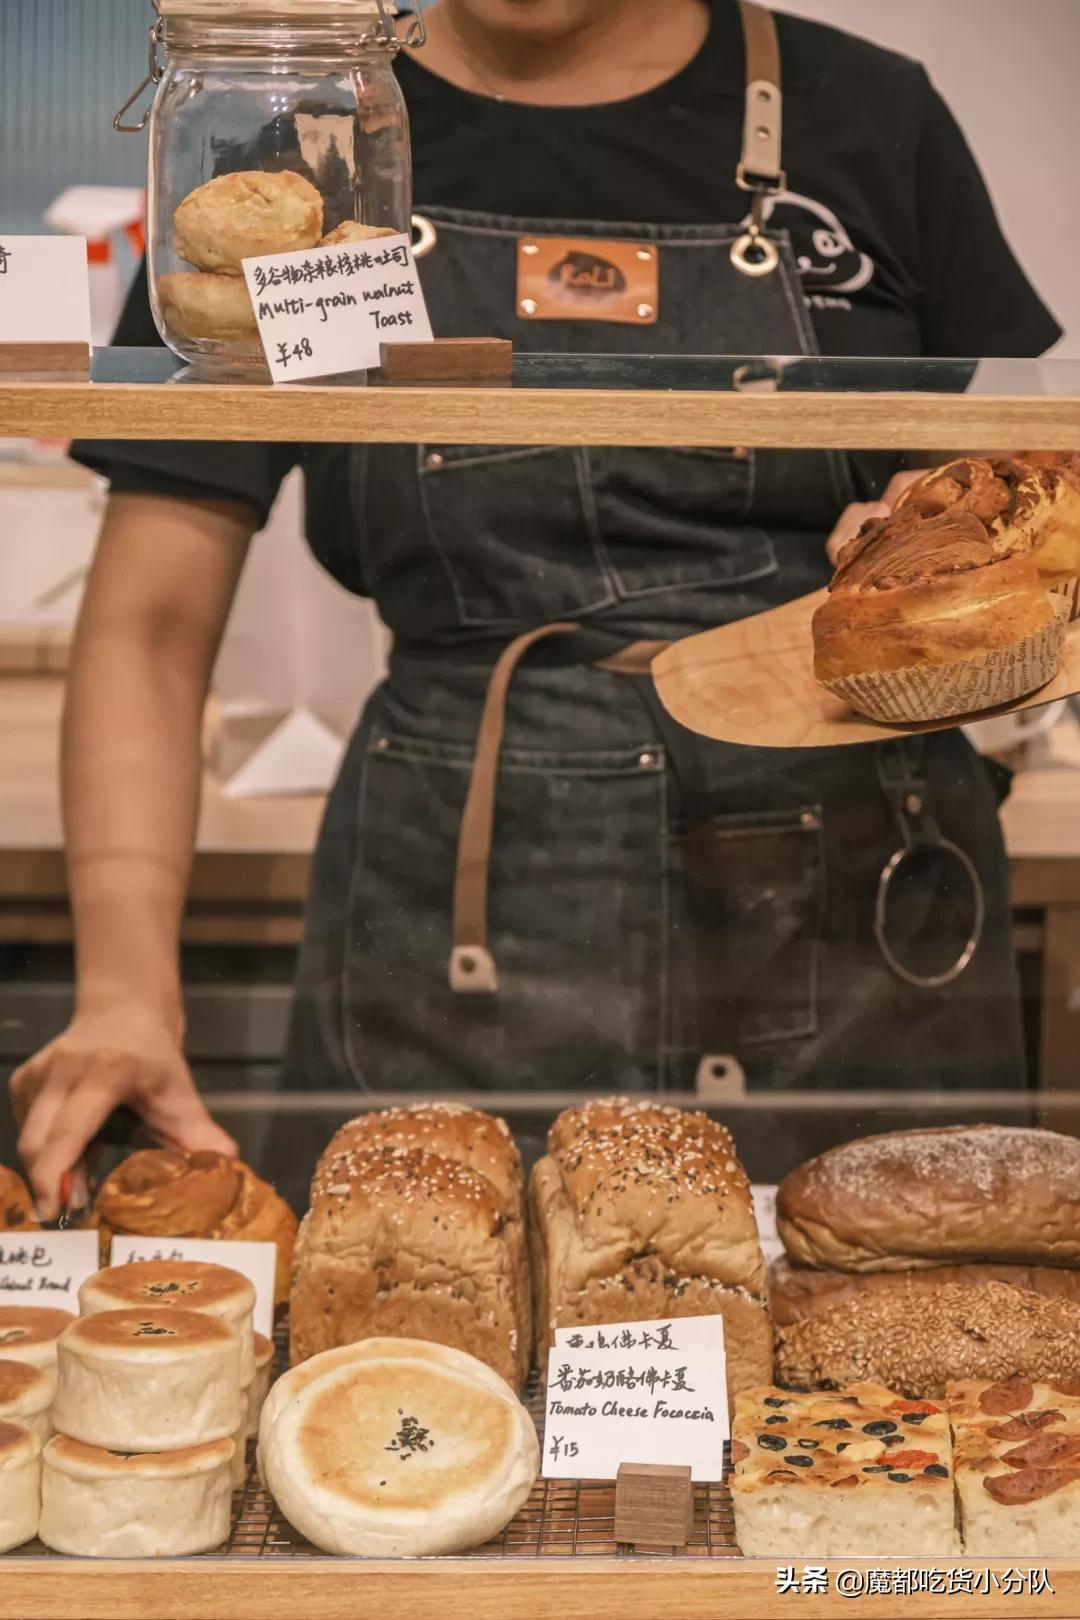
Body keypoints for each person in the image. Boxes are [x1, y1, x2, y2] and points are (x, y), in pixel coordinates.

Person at [12, 0, 1062, 1214]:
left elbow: (1030, 514)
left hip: (858, 905)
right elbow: (149, 625)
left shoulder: (863, 114)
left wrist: (916, 527)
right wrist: (125, 995)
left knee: (911, 1368)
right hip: (455, 916)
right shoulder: (296, 149)